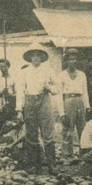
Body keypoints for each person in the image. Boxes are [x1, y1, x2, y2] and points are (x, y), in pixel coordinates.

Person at [15, 43, 62, 174]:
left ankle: (52, 165)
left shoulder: (48, 70)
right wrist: (19, 110)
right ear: (29, 58)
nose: (35, 58)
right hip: (29, 103)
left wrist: (50, 88)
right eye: (33, 55)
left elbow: (58, 87)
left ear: (42, 57)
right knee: (31, 134)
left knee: (47, 133)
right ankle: (35, 165)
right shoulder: (24, 72)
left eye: (38, 55)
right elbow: (20, 91)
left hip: (44, 102)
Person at [57, 48, 89, 162]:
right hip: (68, 101)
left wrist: (87, 106)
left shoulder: (82, 75)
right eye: (70, 59)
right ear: (66, 61)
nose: (73, 61)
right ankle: (67, 155)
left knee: (83, 129)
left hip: (80, 101)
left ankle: (84, 155)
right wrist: (61, 112)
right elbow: (59, 94)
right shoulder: (61, 75)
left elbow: (85, 92)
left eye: (74, 58)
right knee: (67, 129)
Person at [0, 58, 17, 142]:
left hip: (11, 104)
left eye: (4, 66)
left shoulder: (13, 79)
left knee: (11, 123)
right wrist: (1, 92)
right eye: (0, 66)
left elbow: (17, 93)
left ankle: (13, 141)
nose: (2, 68)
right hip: (0, 104)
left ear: (8, 66)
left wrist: (9, 94)